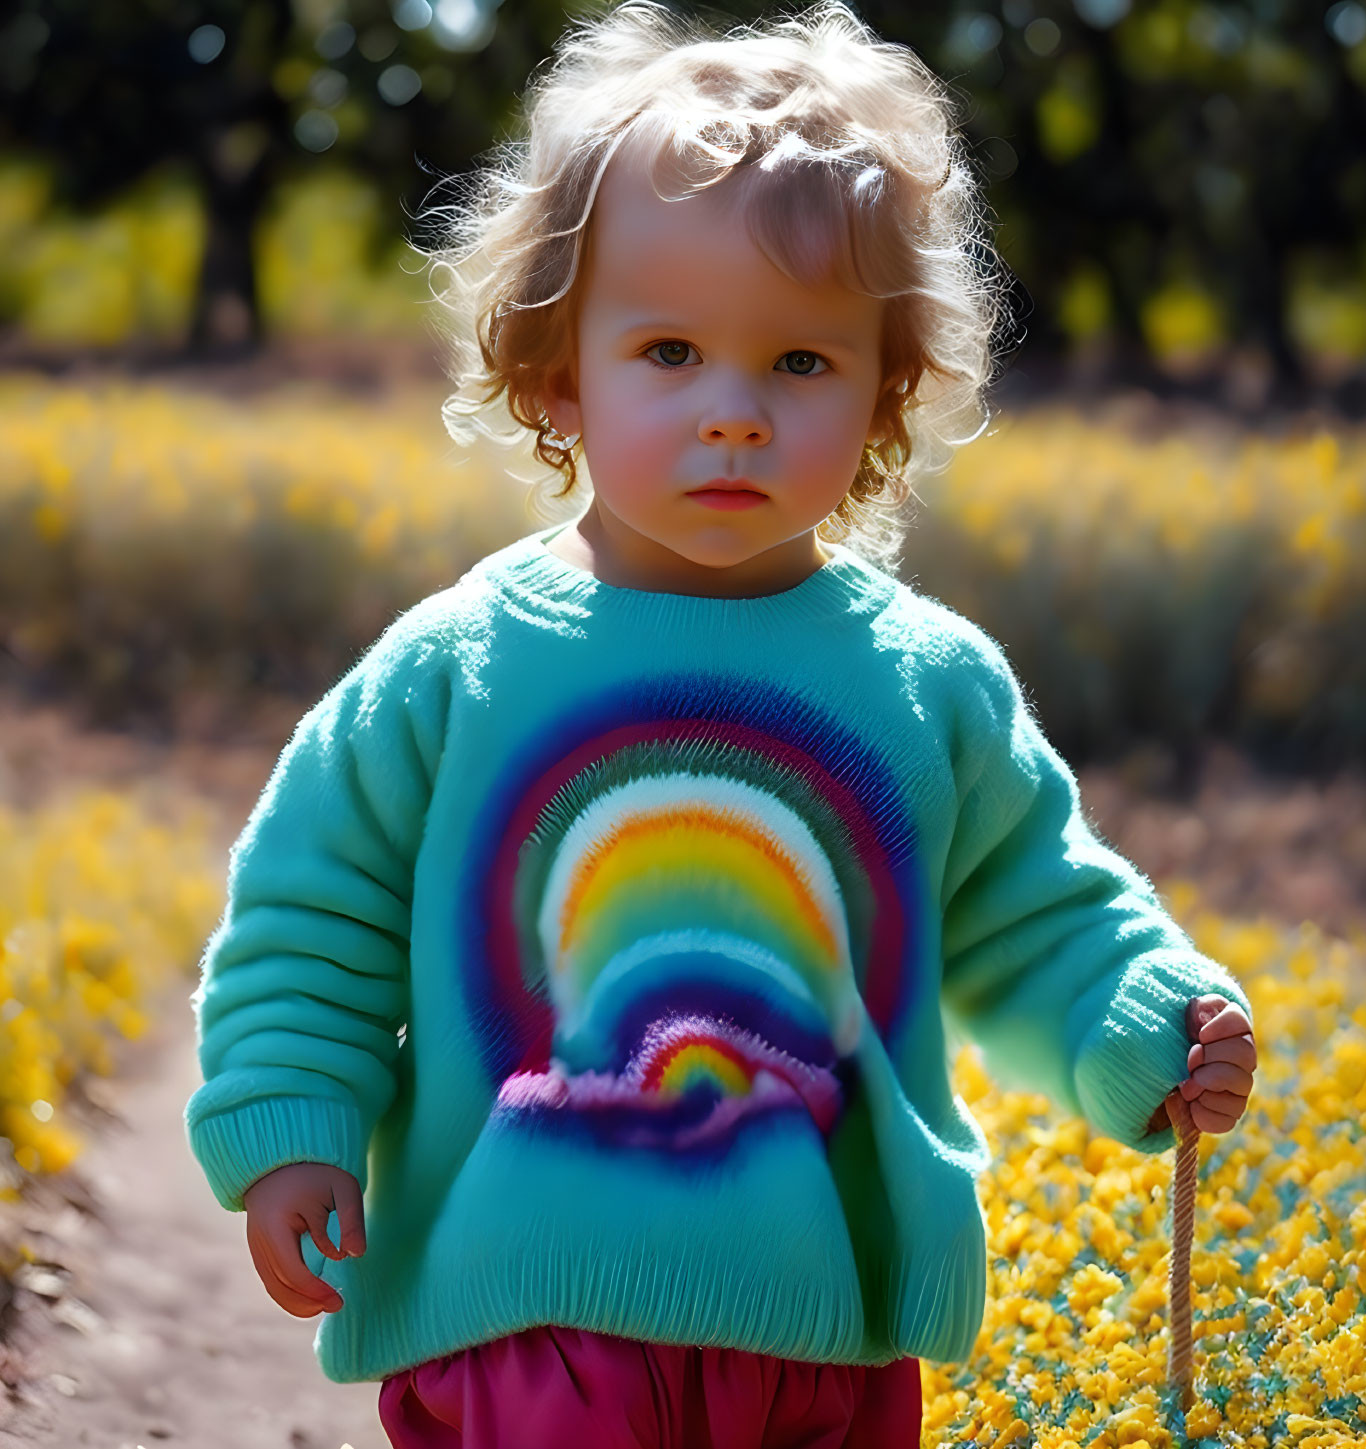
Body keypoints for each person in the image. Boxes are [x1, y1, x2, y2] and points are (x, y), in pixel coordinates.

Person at [183, 3, 1259, 1446]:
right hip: (531, 1314)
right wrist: (291, 1130)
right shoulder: (458, 666)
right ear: (557, 371)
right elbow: (315, 916)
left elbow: (1035, 907)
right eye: (671, 350)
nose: (734, 414)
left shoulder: (925, 684)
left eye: (801, 364)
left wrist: (1143, 1015)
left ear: (887, 394)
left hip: (823, 1325)